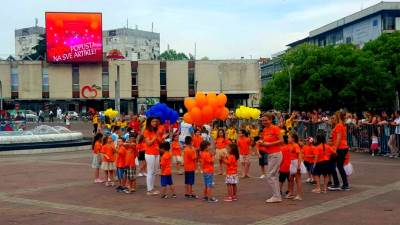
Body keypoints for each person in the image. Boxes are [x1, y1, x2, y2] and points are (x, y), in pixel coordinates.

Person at [258, 112, 283, 203]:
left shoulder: (275, 128)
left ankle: (276, 196)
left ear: (271, 120)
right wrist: (261, 142)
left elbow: (281, 141)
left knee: (270, 175)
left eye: (266, 120)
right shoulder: (265, 130)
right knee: (274, 175)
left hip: (276, 154)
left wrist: (269, 144)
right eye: (262, 120)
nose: (264, 122)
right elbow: (265, 141)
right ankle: (277, 195)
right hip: (270, 154)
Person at [144, 117, 167, 195]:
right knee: (150, 171)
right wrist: (155, 136)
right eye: (153, 121)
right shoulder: (146, 131)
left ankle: (152, 188)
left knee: (154, 172)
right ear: (149, 122)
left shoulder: (156, 131)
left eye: (156, 121)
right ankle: (149, 190)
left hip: (156, 153)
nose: (155, 123)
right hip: (149, 153)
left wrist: (163, 138)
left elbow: (159, 142)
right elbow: (149, 143)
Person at [329, 111, 350, 191]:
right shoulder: (342, 125)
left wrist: (335, 148)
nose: (333, 118)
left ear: (338, 117)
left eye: (334, 117)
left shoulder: (339, 126)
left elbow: (339, 138)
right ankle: (344, 184)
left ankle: (338, 183)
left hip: (340, 148)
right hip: (342, 147)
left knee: (332, 164)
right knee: (339, 166)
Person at [287, 132, 304, 201]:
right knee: (291, 178)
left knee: (298, 179)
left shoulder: (295, 145)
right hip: (291, 163)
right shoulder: (290, 145)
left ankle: (299, 195)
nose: (288, 139)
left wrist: (299, 166)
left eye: (289, 137)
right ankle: (291, 193)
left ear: (293, 139)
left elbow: (299, 155)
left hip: (296, 162)